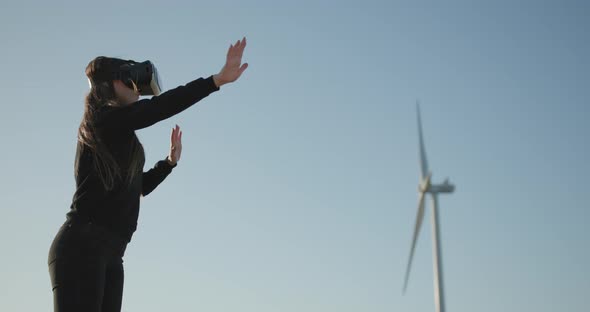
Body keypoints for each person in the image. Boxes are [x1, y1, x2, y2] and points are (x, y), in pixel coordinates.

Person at [47, 37, 248, 312]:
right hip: (83, 245)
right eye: (130, 82)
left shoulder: (122, 136)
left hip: (113, 253)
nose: (138, 91)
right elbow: (159, 108)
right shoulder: (103, 121)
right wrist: (214, 81)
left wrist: (168, 163)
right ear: (111, 85)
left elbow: (137, 187)